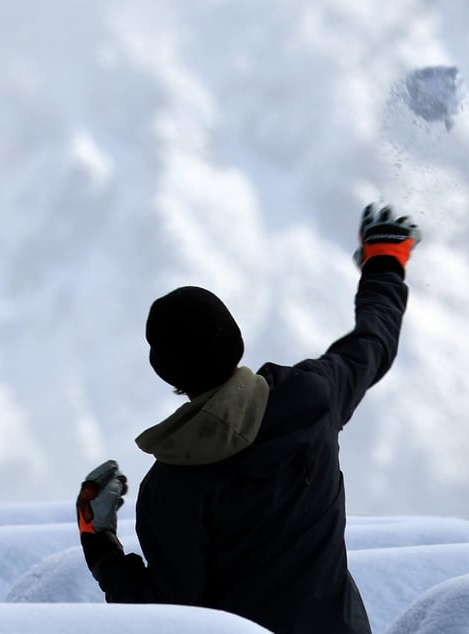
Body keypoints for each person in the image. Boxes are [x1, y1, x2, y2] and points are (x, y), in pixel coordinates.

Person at [76, 203, 421, 634]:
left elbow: (168, 614)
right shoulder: (312, 397)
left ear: (166, 373)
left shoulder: (172, 488)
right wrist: (385, 260)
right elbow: (374, 341)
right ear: (235, 340)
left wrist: (100, 543)